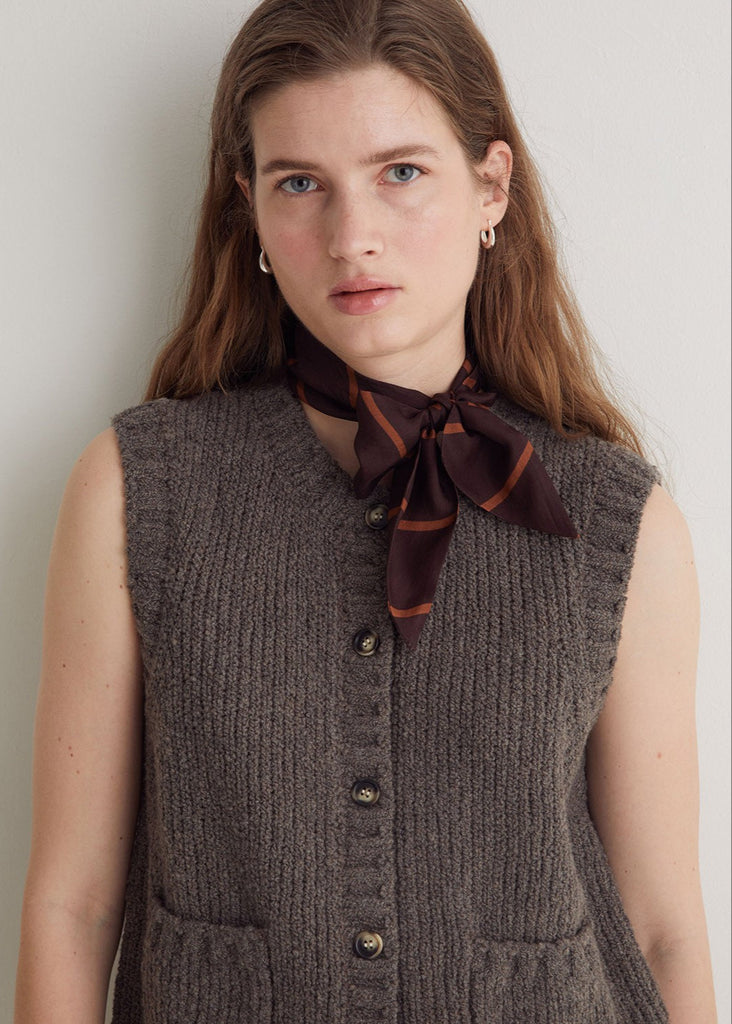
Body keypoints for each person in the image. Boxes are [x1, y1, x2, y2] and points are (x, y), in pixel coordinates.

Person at [14, 0, 718, 1021]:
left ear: (492, 186)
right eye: (302, 184)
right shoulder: (138, 489)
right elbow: (71, 907)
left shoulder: (619, 523)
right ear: (248, 207)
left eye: (401, 172)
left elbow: (664, 930)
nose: (354, 237)